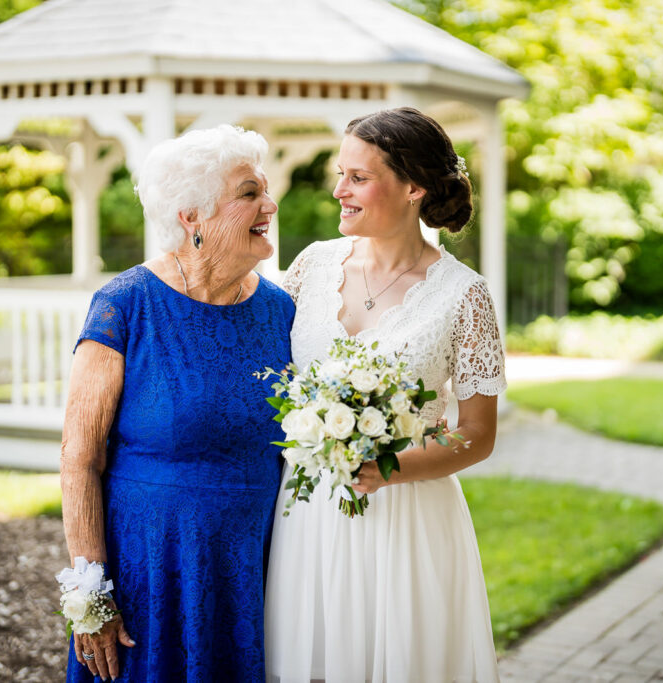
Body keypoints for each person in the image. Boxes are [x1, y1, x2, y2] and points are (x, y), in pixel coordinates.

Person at [264, 107, 505, 682]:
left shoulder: (465, 296)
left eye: (358, 177)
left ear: (414, 187)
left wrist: (389, 468)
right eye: (340, 173)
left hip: (408, 518)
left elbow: (477, 435)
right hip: (309, 512)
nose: (338, 190)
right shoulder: (310, 267)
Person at [59, 125, 294, 682]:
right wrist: (90, 597)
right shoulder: (126, 304)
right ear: (192, 216)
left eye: (264, 189)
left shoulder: (282, 312)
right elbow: (79, 457)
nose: (270, 204)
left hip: (252, 564)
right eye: (248, 194)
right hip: (151, 567)